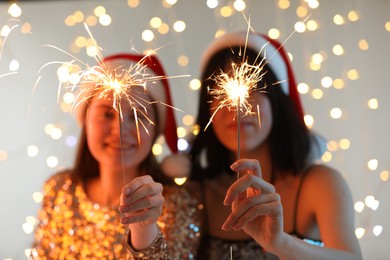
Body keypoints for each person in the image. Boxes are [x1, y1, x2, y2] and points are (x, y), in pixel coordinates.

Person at [183, 31, 363, 259]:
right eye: (222, 92)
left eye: (254, 87)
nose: (238, 106)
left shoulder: (320, 183)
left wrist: (281, 243)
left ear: (277, 102)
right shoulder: (194, 194)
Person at [31, 53, 185, 258]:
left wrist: (144, 233)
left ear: (155, 131)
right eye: (106, 114)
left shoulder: (178, 205)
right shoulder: (59, 190)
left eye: (138, 116)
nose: (120, 130)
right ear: (86, 121)